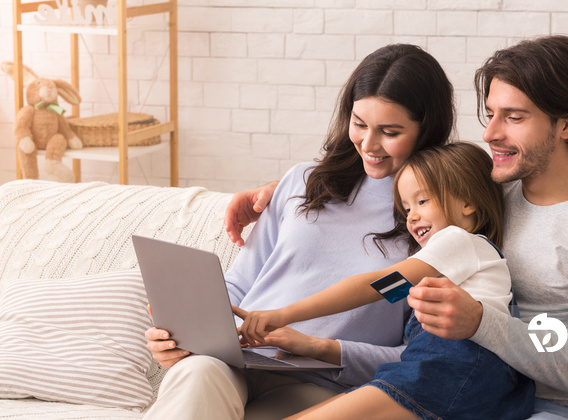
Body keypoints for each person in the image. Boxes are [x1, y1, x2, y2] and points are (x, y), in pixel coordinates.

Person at [225, 35, 568, 420]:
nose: (489, 133)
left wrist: (479, 324)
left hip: (550, 406)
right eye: (489, 113)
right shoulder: (487, 196)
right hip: (453, 386)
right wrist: (280, 191)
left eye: (513, 117)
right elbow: (393, 207)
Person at [143, 43, 457, 420]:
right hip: (236, 361)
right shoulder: (302, 182)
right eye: (359, 124)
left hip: (326, 386)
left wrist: (318, 347)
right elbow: (240, 286)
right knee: (195, 374)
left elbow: (415, 358)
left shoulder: (436, 221)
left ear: (427, 129)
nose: (369, 145)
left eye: (390, 131)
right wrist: (186, 332)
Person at [236, 141, 535, 420]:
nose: (412, 217)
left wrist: (282, 314)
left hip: (456, 368)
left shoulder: (458, 242)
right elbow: (391, 290)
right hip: (428, 369)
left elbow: (375, 287)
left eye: (422, 200)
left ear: (468, 203)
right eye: (406, 208)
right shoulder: (441, 265)